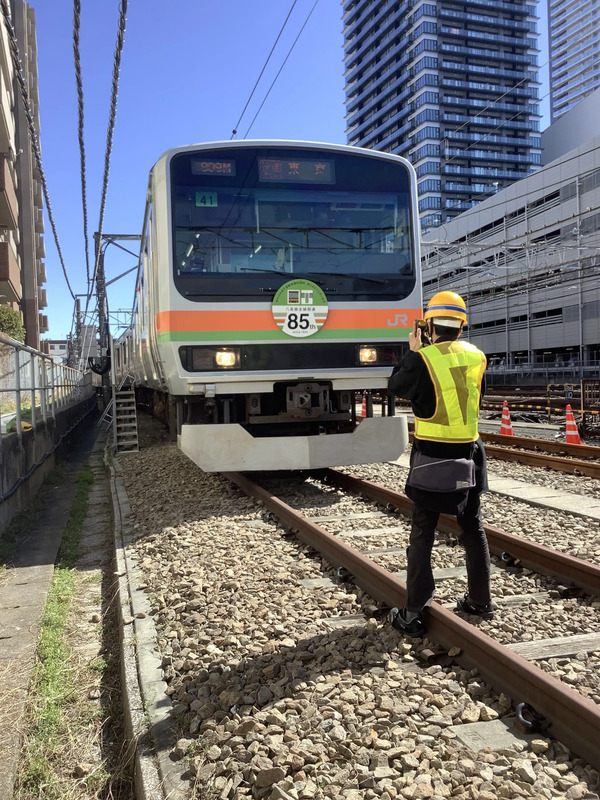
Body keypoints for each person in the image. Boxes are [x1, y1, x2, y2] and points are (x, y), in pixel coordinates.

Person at [387, 291, 494, 636]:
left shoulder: (424, 359)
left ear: (428, 325)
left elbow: (394, 387)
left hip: (432, 457)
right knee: (472, 527)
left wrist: (413, 352)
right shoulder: (478, 357)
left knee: (423, 532)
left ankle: (414, 611)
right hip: (471, 455)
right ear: (461, 326)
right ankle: (480, 600)